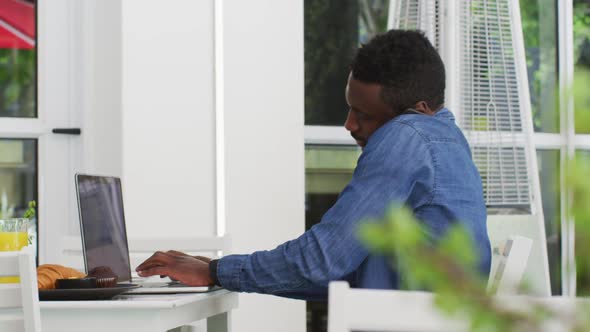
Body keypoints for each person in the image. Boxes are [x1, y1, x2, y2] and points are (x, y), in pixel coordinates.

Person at [136, 30, 491, 299]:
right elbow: (339, 271)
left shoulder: (409, 134)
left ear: (419, 108)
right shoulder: (445, 140)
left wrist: (216, 271)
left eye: (365, 115)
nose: (350, 125)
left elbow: (320, 261)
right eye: (351, 108)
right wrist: (218, 270)